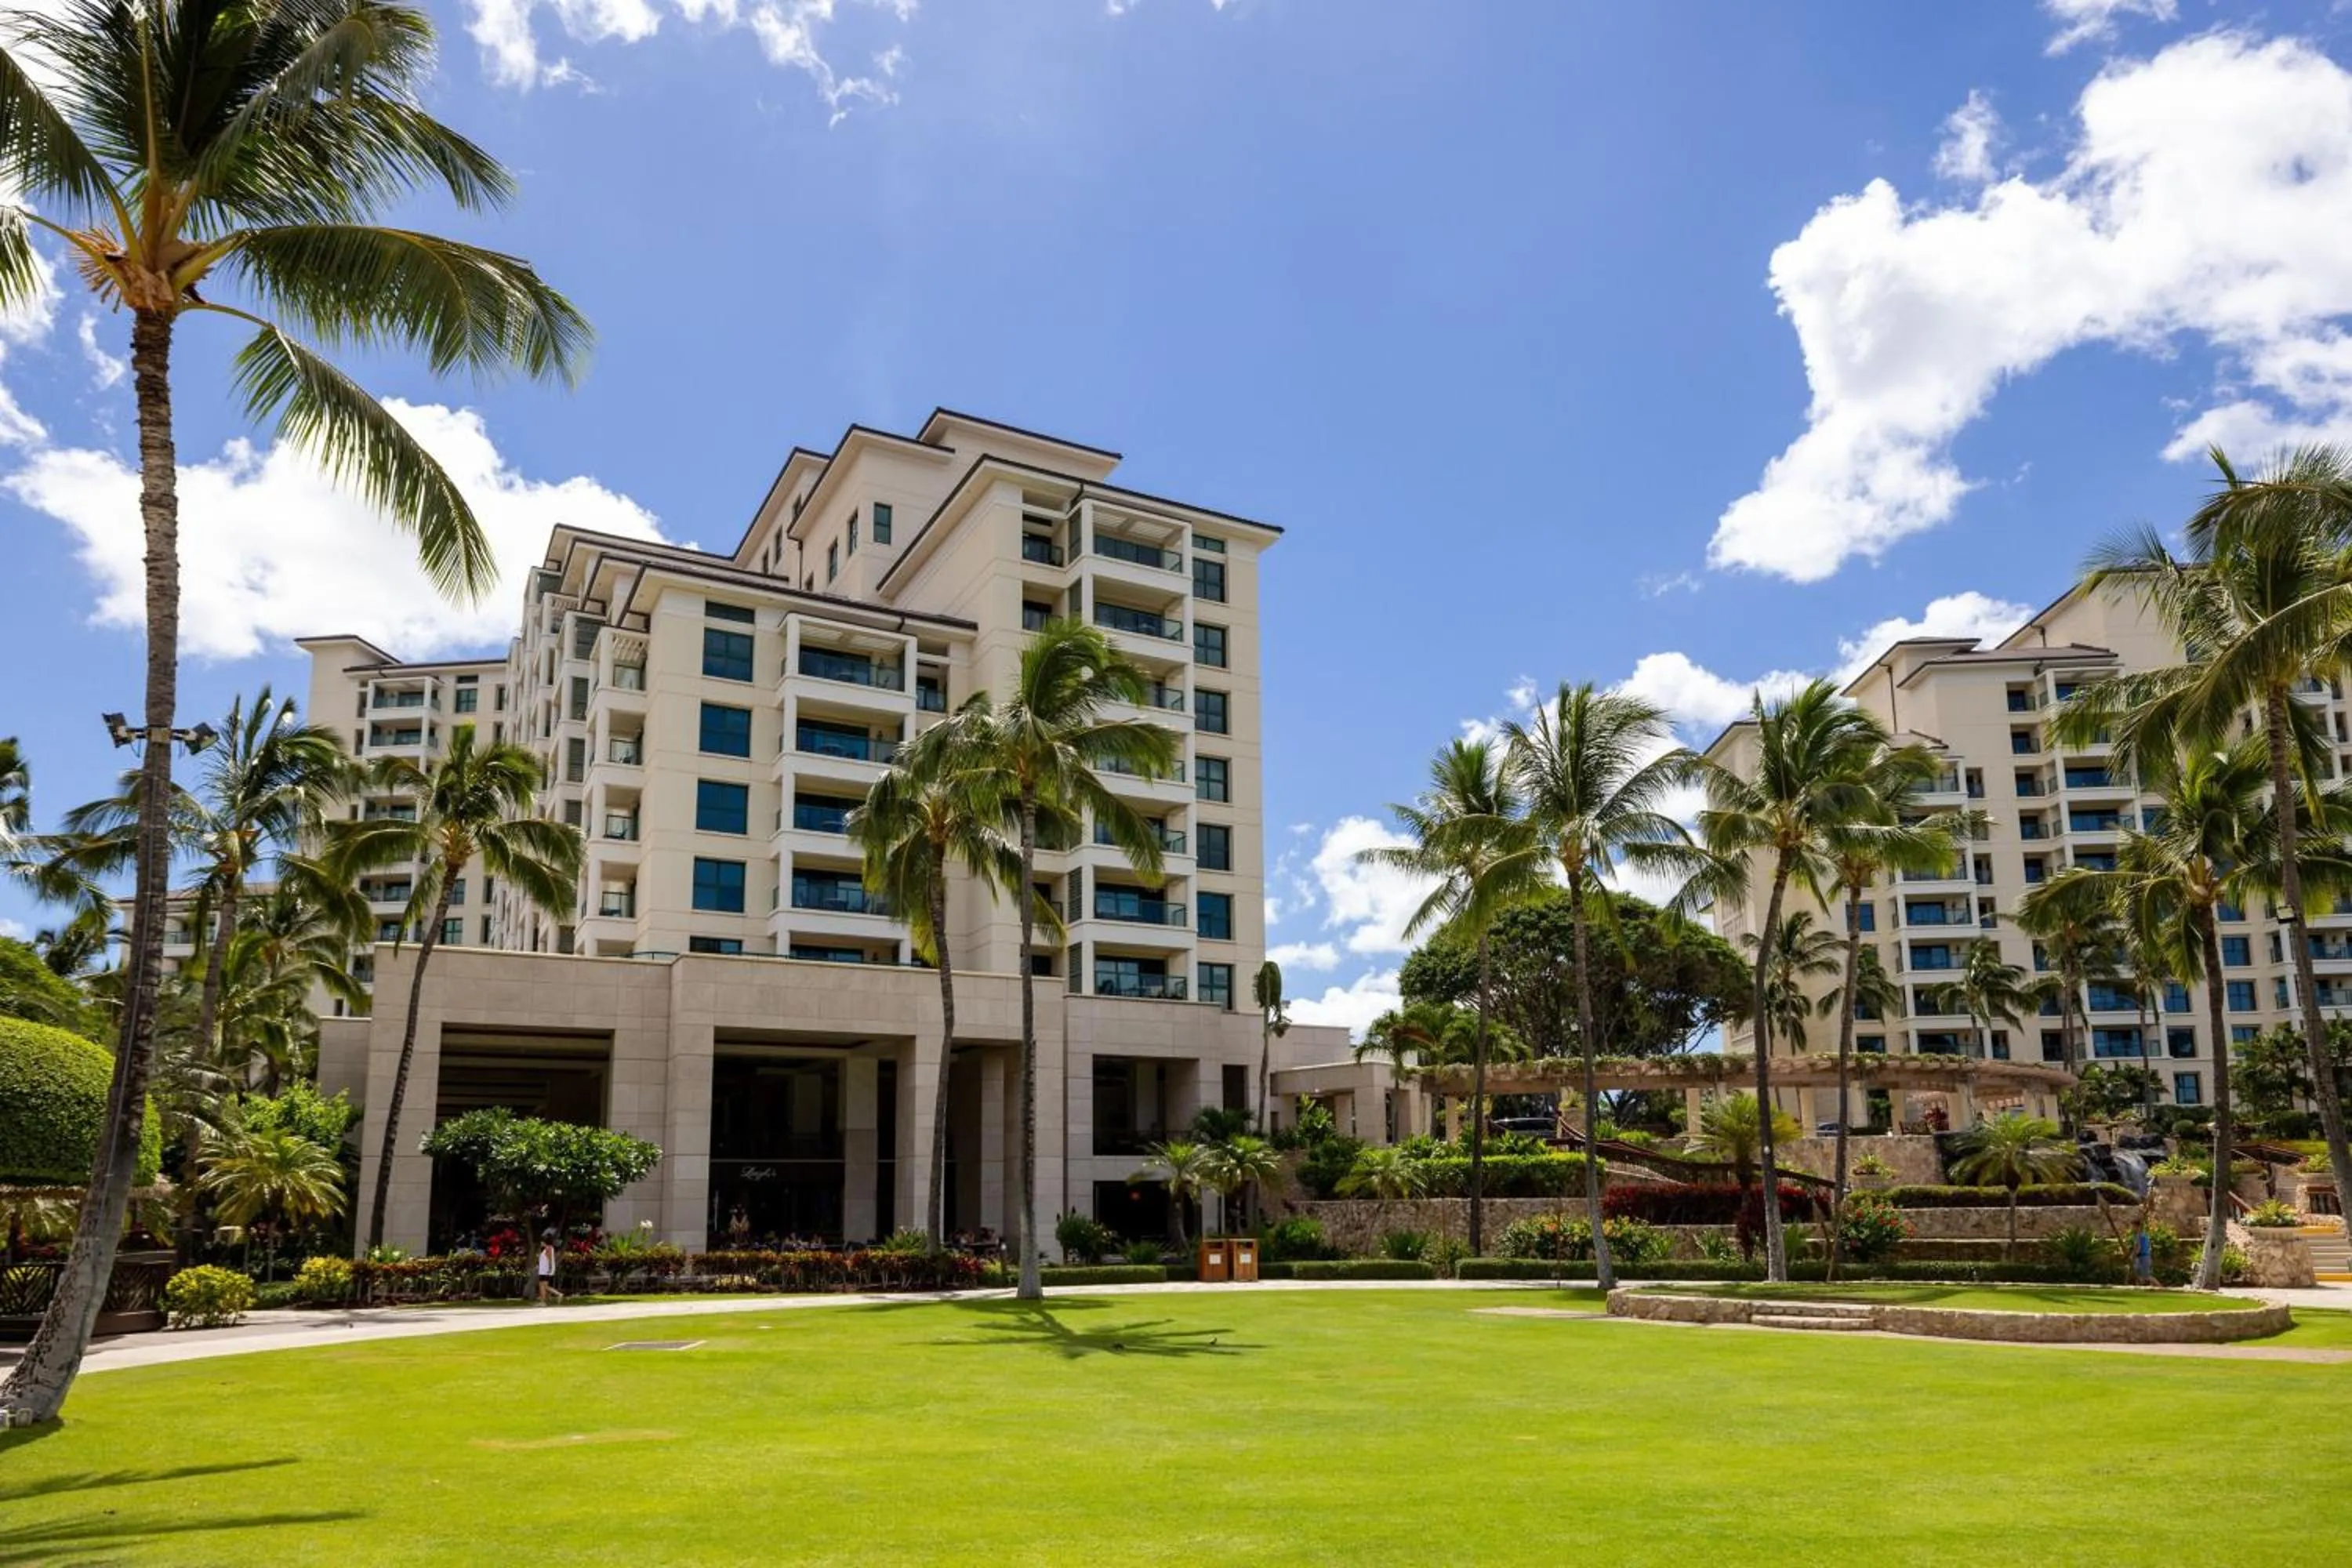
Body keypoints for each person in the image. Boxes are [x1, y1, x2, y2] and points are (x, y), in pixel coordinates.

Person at [537, 1229, 563, 1305]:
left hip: (545, 1270)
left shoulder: (548, 1248)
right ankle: (544, 1301)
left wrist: (550, 1268)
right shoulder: (547, 1249)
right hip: (543, 1270)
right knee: (543, 1286)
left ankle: (557, 1295)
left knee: (543, 1286)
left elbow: (550, 1260)